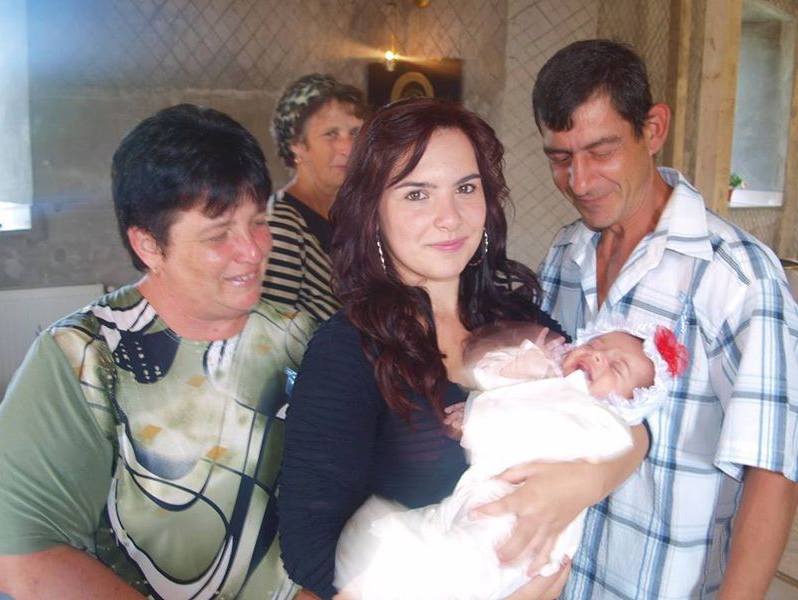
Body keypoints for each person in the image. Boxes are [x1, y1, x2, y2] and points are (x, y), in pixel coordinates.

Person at [278, 97, 651, 600]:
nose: (449, 218)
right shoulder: (347, 352)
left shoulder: (516, 319)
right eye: (417, 194)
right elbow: (310, 549)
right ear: (372, 212)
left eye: (465, 188)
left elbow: (627, 416)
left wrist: (581, 484)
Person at [0, 104, 314, 599]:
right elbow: (23, 555)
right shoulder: (84, 358)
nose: (253, 250)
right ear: (148, 245)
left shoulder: (298, 336)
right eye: (218, 235)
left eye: (257, 222)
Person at [533, 39, 798, 599]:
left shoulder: (737, 276)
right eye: (560, 158)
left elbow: (773, 468)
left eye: (601, 151)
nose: (579, 181)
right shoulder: (564, 254)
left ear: (653, 129)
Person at [333, 319, 687, 600]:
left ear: (631, 403)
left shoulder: (601, 419)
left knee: (477, 558)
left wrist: (476, 416)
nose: (597, 357)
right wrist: (518, 366)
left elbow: (533, 421)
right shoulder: (551, 378)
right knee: (440, 530)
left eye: (616, 368)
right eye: (595, 346)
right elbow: (488, 376)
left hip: (523, 522)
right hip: (484, 494)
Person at [262, 73, 369, 322]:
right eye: (331, 134)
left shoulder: (352, 213)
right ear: (296, 145)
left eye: (355, 133)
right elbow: (270, 331)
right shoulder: (280, 225)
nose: (347, 148)